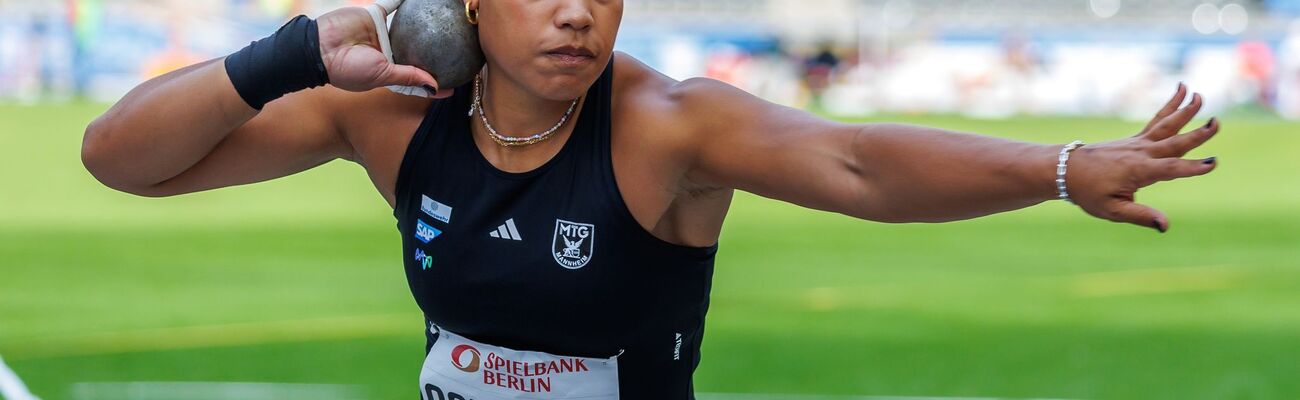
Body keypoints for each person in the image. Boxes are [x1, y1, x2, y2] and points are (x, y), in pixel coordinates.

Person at [80, 1, 1220, 399]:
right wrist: (289, 55)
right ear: (469, 4)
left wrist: (1062, 168)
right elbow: (120, 158)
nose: (579, 13)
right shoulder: (388, 110)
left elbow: (858, 161)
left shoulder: (672, 125)